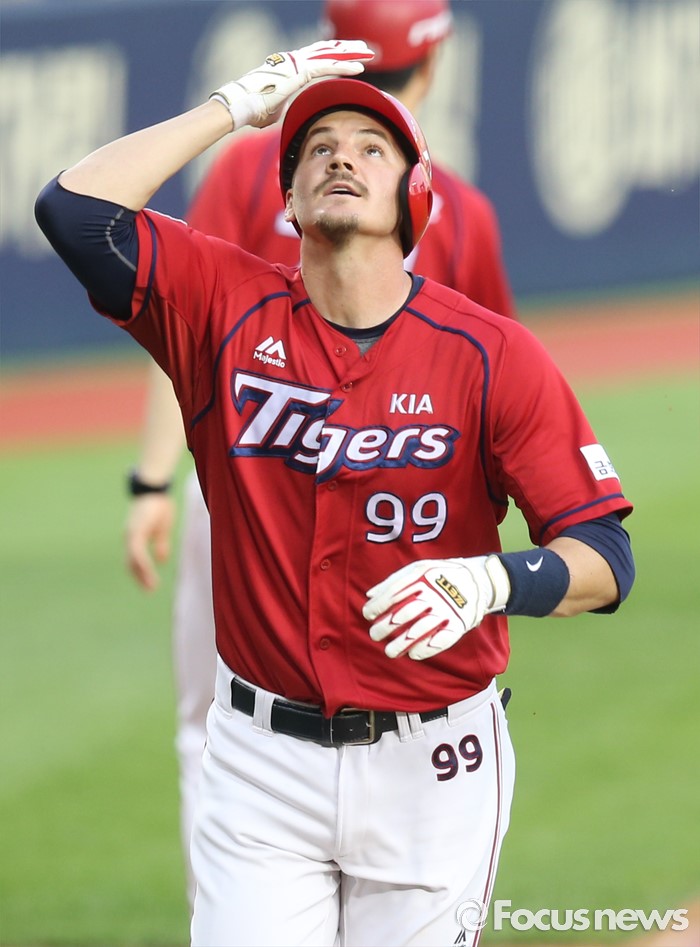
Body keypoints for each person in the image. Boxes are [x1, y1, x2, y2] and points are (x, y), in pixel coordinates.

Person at [36, 37, 635, 946]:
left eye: (370, 147)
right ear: (287, 202)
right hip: (261, 767)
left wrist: (490, 580)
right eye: (317, 148)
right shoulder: (223, 305)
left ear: (414, 194)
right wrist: (231, 109)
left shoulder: (492, 355)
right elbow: (75, 212)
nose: (340, 158)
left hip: (435, 767)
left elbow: (605, 556)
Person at [123, 0, 517, 907]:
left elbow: (176, 329)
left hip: (239, 477)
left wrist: (152, 478)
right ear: (433, 62)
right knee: (393, 706)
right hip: (406, 498)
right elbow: (497, 382)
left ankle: (236, 892)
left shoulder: (249, 168)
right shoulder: (460, 211)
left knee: (214, 717)